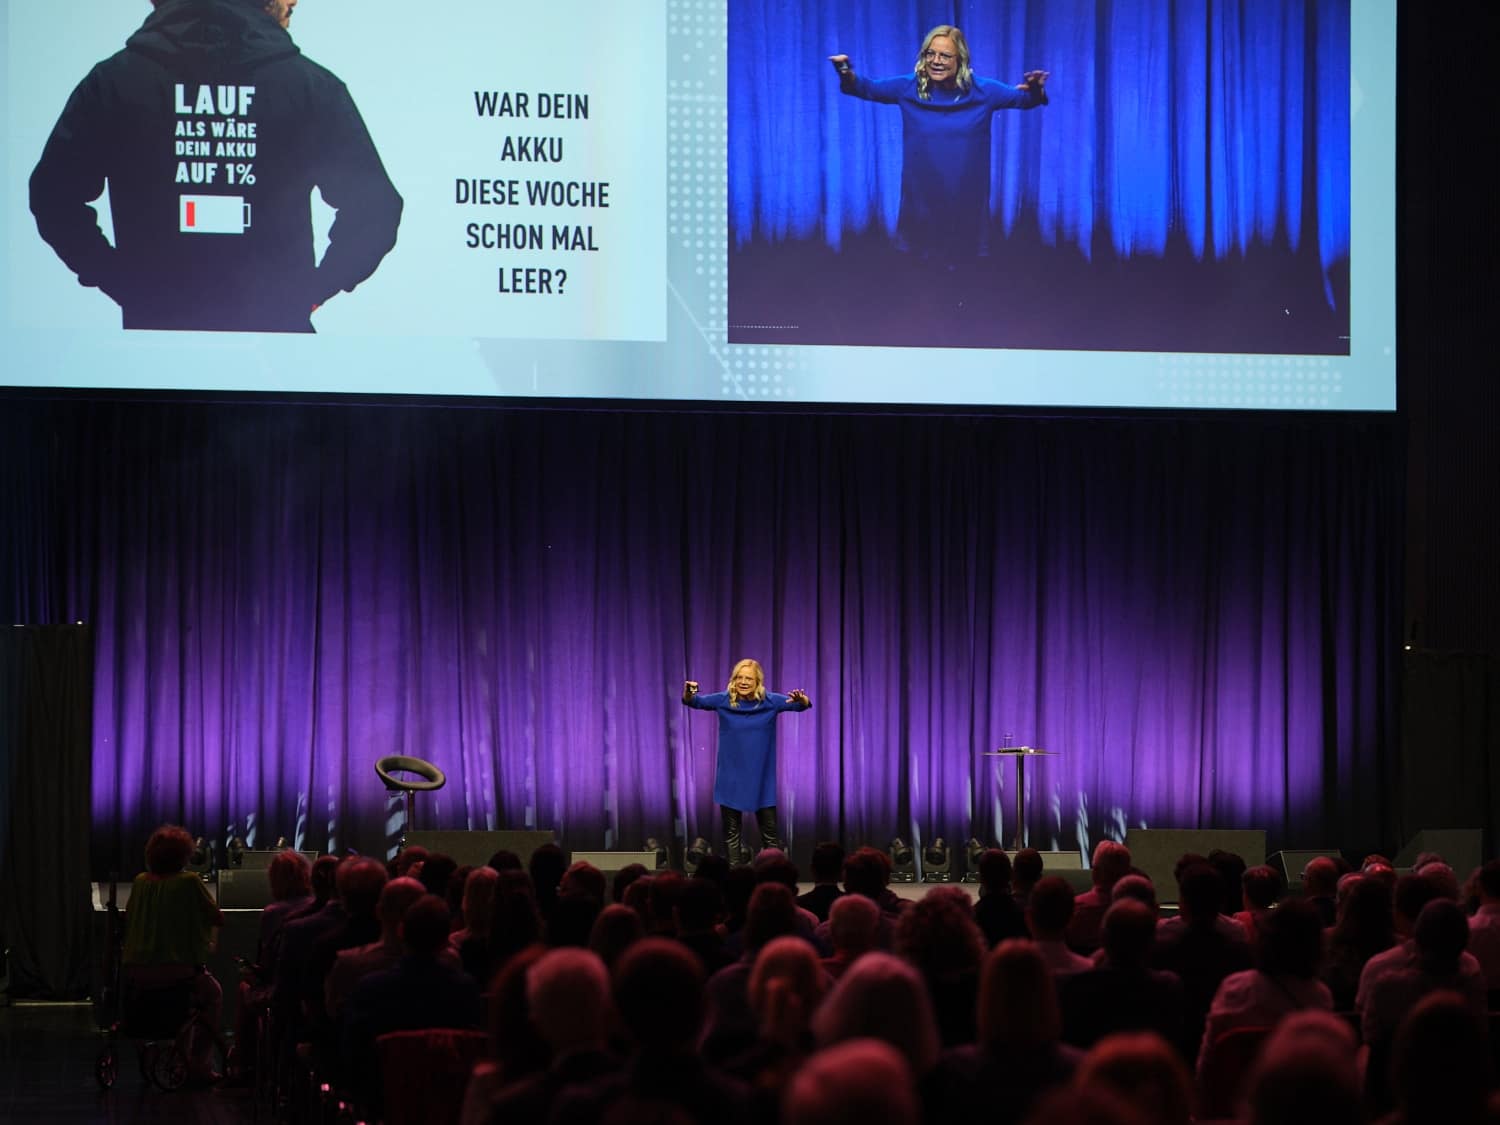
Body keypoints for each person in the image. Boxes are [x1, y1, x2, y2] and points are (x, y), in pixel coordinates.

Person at [29, 0, 402, 332]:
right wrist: (314, 289)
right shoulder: (310, 87)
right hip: (277, 353)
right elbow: (375, 209)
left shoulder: (114, 82)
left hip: (153, 354)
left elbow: (54, 198)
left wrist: (123, 283)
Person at [829, 26, 1047, 261]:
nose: (935, 61)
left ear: (961, 60)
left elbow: (1026, 99)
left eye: (944, 56)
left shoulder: (985, 91)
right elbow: (865, 87)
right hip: (921, 202)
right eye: (930, 54)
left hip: (966, 202)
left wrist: (1036, 89)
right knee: (921, 266)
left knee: (965, 265)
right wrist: (844, 70)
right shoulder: (908, 87)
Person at [120, 824, 225, 1084]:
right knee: (212, 995)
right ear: (184, 855)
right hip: (177, 971)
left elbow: (129, 917)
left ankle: (175, 1058)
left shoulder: (140, 882)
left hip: (136, 972)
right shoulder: (189, 882)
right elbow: (216, 917)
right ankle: (199, 1065)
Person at [682, 659, 810, 861]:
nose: (743, 682)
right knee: (731, 834)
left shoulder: (770, 701)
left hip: (761, 779)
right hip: (730, 777)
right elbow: (693, 701)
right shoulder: (723, 700)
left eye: (748, 678)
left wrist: (802, 699)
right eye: (739, 677)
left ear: (758, 681)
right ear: (733, 679)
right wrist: (690, 691)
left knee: (770, 835)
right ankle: (735, 874)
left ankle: (773, 873)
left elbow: (801, 706)